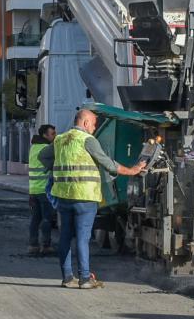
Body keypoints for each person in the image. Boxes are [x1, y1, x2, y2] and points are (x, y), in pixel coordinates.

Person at [52, 106, 146, 290]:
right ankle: (85, 278)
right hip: (84, 198)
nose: (95, 128)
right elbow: (108, 164)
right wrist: (133, 170)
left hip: (63, 196)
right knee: (82, 238)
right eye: (94, 124)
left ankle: (67, 278)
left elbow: (43, 157)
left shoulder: (59, 140)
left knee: (65, 237)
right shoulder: (88, 140)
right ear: (86, 123)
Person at [24, 123, 59, 256]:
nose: (54, 136)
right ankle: (46, 245)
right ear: (44, 135)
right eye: (52, 134)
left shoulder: (33, 147)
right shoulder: (46, 148)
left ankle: (33, 245)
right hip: (44, 189)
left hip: (33, 190)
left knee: (35, 219)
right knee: (46, 219)